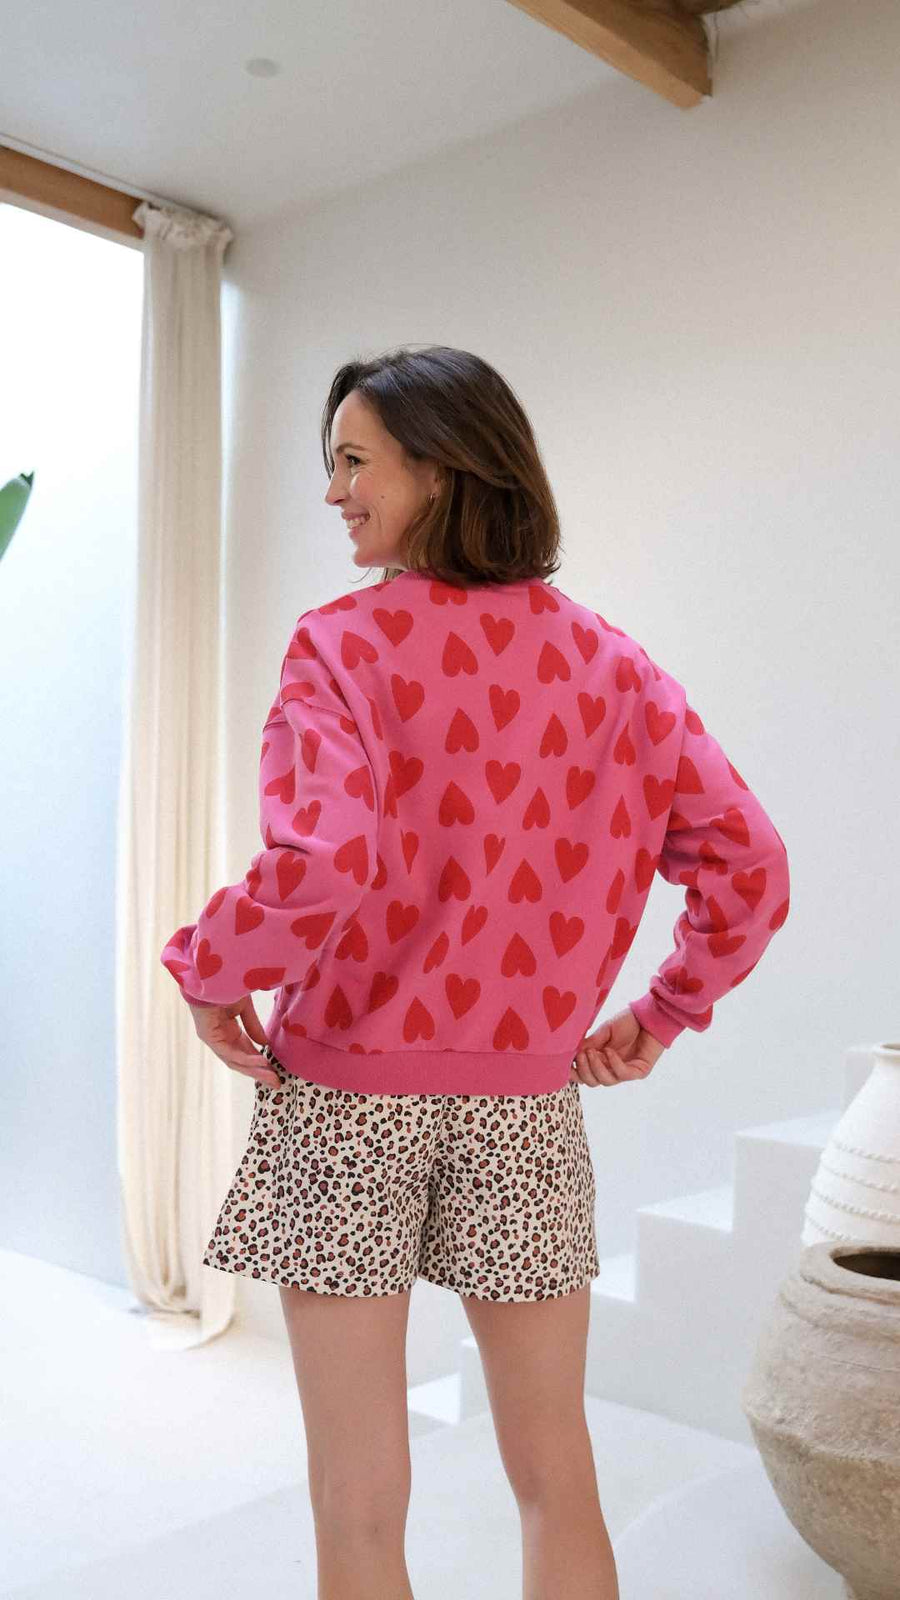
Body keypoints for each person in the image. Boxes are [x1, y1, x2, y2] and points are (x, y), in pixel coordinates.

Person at [160, 344, 790, 1600]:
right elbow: (753, 863)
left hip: (347, 1107)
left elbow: (324, 860)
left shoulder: (340, 646)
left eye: (354, 461)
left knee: (357, 1502)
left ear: (441, 467)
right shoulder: (614, 666)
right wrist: (663, 1013)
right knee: (558, 1471)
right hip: (524, 1111)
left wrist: (210, 968)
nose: (332, 491)